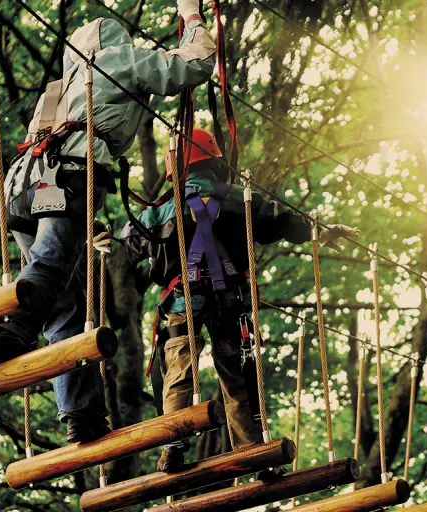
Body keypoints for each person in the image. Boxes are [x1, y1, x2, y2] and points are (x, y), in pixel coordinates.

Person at [0, 2, 216, 444]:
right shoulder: (116, 60)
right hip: (66, 175)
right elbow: (195, 64)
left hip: (20, 188)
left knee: (65, 305)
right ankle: (13, 330)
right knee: (51, 266)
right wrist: (191, 16)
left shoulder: (58, 89)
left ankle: (82, 414)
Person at [120, 128, 360, 472]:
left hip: (182, 301)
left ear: (176, 169)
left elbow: (130, 241)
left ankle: (173, 444)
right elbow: (283, 222)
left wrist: (103, 238)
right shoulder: (241, 199)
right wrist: (320, 231)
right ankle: (251, 450)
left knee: (179, 369)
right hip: (229, 301)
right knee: (237, 377)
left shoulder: (159, 210)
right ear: (216, 163)